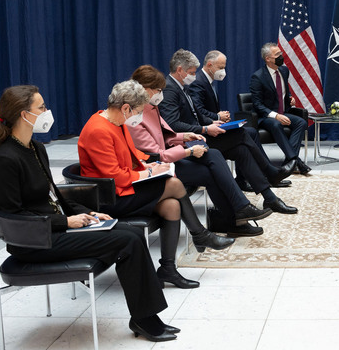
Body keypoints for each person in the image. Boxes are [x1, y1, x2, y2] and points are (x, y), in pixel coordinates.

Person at [0, 85, 177, 342]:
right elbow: (15, 216)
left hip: (52, 229)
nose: (47, 111)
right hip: (35, 241)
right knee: (128, 240)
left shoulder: (35, 148)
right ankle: (145, 320)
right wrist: (66, 221)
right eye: (41, 107)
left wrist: (88, 213)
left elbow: (54, 196)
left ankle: (146, 317)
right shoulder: (6, 159)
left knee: (131, 233)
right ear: (24, 115)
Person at [78, 80, 235, 290]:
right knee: (174, 184)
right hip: (110, 197)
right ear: (126, 108)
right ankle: (200, 235)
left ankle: (168, 268)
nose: (139, 116)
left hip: (123, 188)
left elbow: (131, 155)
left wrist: (148, 165)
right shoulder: (99, 129)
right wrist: (150, 172)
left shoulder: (116, 122)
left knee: (172, 205)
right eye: (139, 111)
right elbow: (114, 176)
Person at [129, 65, 271, 237]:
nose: (160, 94)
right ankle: (236, 217)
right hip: (158, 167)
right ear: (145, 89)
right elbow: (157, 155)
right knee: (209, 171)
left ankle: (239, 212)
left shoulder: (150, 107)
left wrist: (185, 136)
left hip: (172, 156)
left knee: (213, 154)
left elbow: (165, 136)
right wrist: (189, 152)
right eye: (158, 90)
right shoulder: (134, 117)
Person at [160, 49, 298, 214]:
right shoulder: (169, 89)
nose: (194, 75)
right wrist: (205, 128)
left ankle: (270, 198)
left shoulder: (182, 86)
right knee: (242, 134)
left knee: (241, 150)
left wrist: (212, 122)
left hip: (199, 135)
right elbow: (173, 125)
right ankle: (270, 172)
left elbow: (195, 114)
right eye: (192, 72)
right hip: (189, 142)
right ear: (179, 70)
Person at [250, 43, 311, 175]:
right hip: (266, 116)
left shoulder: (284, 71)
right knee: (276, 124)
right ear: (268, 58)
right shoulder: (258, 77)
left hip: (283, 112)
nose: (281, 56)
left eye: (281, 53)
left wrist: (289, 98)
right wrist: (276, 116)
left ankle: (290, 161)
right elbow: (257, 104)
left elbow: (282, 91)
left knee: (301, 122)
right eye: (277, 55)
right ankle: (296, 161)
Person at [188, 50, 232, 123]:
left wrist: (223, 116)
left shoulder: (209, 80)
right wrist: (218, 116)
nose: (223, 71)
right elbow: (198, 110)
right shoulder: (197, 82)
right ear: (209, 65)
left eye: (224, 68)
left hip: (214, 124)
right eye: (220, 68)